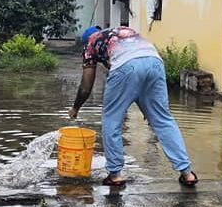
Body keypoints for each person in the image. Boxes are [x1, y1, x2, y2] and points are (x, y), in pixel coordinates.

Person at [69, 26, 198, 187]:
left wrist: (76, 108)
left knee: (111, 120)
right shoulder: (123, 31)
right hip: (155, 62)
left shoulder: (91, 43)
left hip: (126, 65)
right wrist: (147, 106)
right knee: (163, 120)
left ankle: (115, 174)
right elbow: (138, 65)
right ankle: (187, 173)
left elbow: (86, 86)